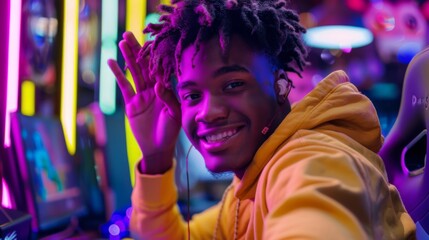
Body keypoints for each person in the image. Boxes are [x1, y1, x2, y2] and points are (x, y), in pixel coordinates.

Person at [108, 0, 416, 239]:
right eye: (192, 96)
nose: (208, 112)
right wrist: (156, 157)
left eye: (233, 84)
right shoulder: (251, 182)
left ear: (280, 85)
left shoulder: (314, 161)